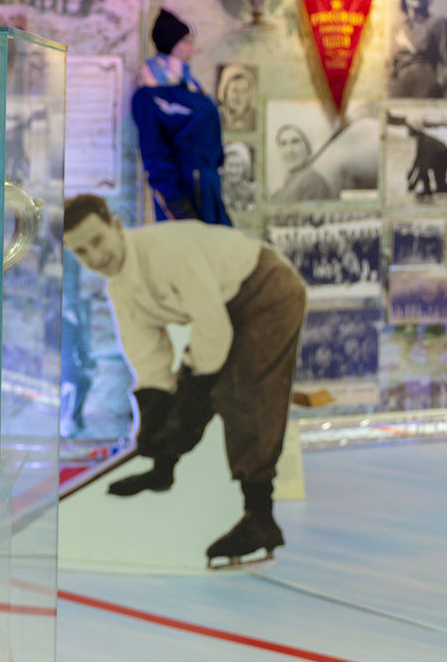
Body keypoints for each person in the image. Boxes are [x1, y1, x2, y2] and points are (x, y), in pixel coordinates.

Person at [62, 193, 306, 565]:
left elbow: (212, 331)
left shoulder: (167, 252)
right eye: (81, 252)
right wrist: (153, 427)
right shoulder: (119, 288)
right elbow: (150, 360)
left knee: (242, 395)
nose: (95, 257)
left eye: (97, 240)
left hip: (266, 288)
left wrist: (193, 399)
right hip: (224, 306)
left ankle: (260, 519)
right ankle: (163, 472)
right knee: (187, 396)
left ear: (116, 226)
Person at [130, 8, 230, 224]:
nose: (191, 47)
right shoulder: (150, 92)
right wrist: (176, 204)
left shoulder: (193, 88)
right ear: (171, 42)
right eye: (185, 41)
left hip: (208, 186)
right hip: (183, 191)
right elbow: (154, 152)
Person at [388, 0, 447, 98]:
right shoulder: (398, 27)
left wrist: (439, 83)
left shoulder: (437, 23)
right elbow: (390, 63)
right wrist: (389, 84)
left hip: (425, 89)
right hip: (399, 90)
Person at [216, 65, 256, 132]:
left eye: (244, 91)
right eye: (235, 91)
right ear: (225, 92)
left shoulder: (254, 116)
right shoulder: (217, 115)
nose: (240, 97)